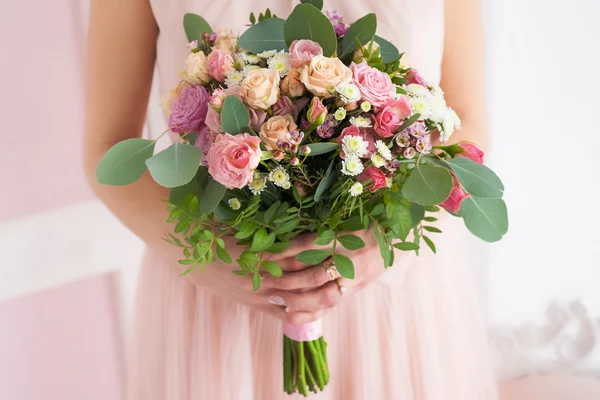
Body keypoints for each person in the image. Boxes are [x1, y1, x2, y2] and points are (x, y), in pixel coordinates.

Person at [84, 0, 496, 398]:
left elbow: (467, 120)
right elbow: (106, 148)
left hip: (393, 287)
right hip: (220, 289)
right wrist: (210, 258)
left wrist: (386, 238)